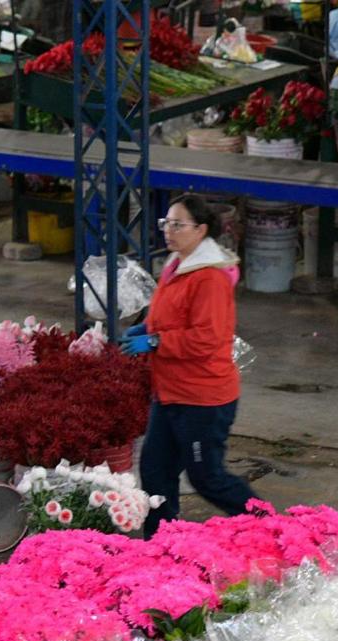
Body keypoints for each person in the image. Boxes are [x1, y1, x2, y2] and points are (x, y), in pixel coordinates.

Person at [122, 195, 259, 540]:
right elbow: (171, 313)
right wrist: (147, 327)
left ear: (200, 230)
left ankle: (268, 524)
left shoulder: (209, 278)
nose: (169, 231)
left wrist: (155, 342)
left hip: (203, 398)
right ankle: (161, 543)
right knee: (155, 472)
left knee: (206, 477)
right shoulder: (177, 263)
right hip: (169, 393)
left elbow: (207, 338)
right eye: (166, 223)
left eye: (177, 225)